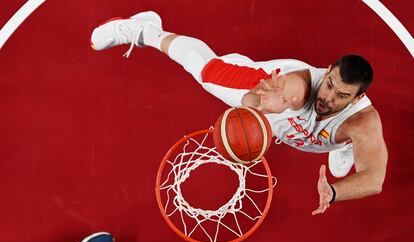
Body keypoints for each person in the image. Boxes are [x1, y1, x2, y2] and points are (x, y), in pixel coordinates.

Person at [90, 11, 388, 215]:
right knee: (207, 72)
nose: (328, 97)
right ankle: (145, 29)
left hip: (330, 132)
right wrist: (266, 100)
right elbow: (289, 92)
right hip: (276, 101)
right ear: (329, 70)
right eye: (330, 84)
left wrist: (334, 193)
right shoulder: (301, 88)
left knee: (349, 147)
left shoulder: (362, 121)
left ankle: (344, 146)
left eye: (341, 96)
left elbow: (374, 179)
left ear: (358, 97)